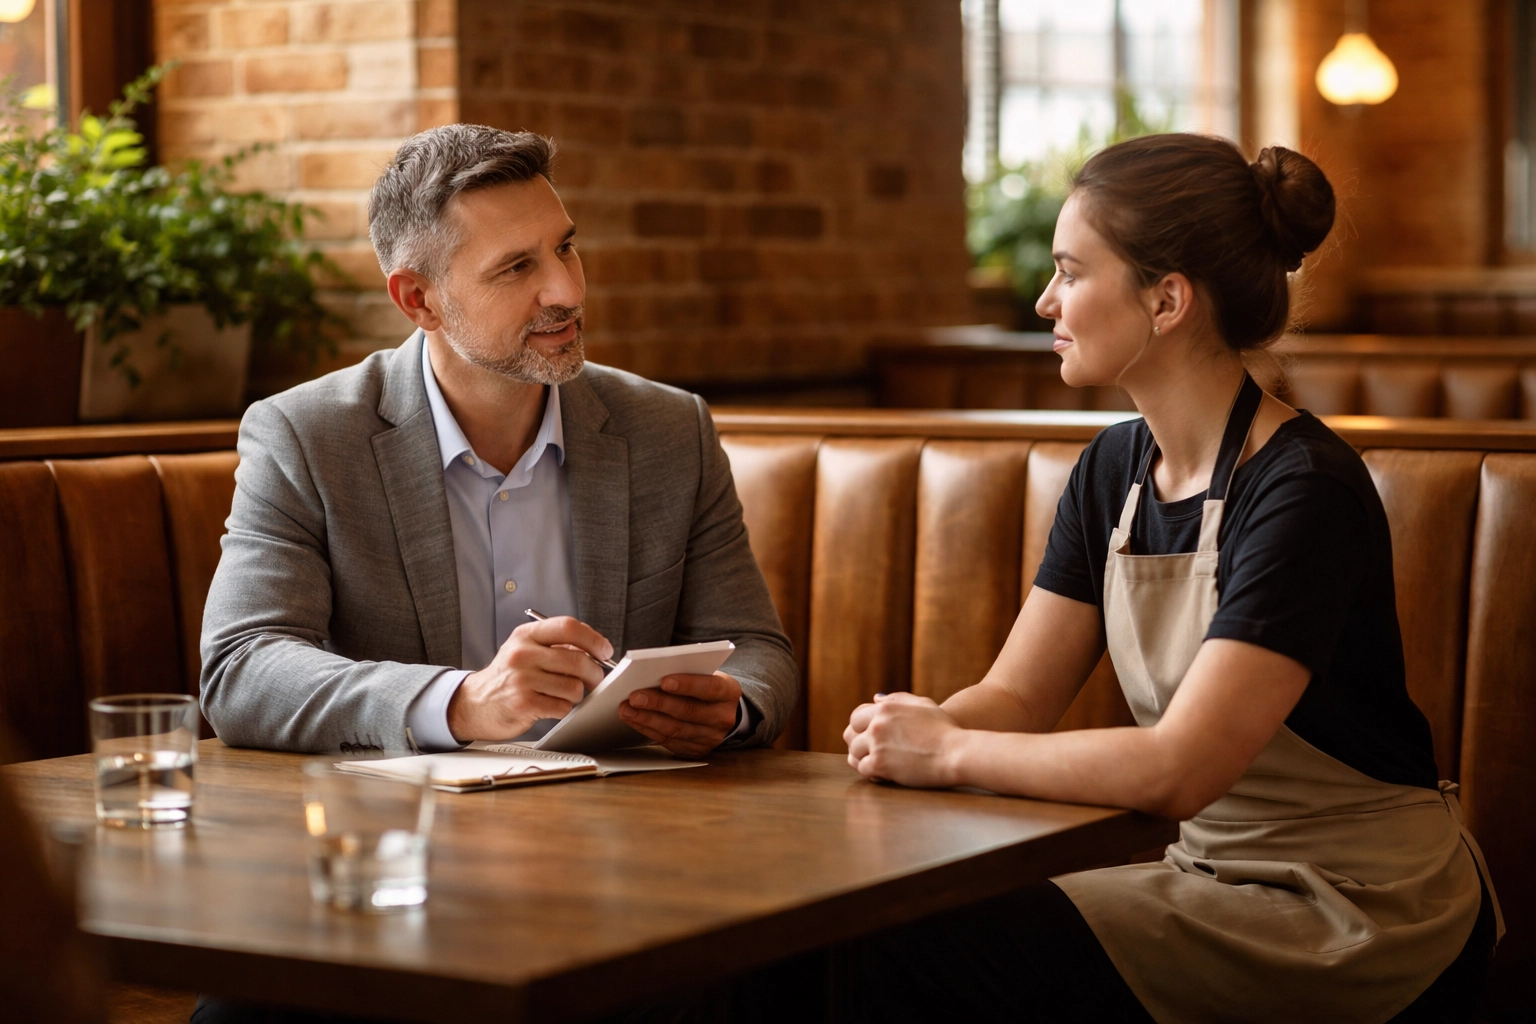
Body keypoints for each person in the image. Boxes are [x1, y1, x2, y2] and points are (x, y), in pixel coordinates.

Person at [839, 134, 1502, 1023]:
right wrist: (909, 733)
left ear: (1167, 300)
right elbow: (1015, 696)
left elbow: (1179, 769)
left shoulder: (1304, 488)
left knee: (921, 950)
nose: (1045, 301)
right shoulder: (1112, 469)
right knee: (866, 934)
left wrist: (950, 754)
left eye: (1071, 272)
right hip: (1205, 877)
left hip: (1356, 909)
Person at [200, 124, 797, 759]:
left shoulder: (671, 430)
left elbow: (756, 650)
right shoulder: (306, 436)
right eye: (517, 267)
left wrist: (731, 706)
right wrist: (462, 702)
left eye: (565, 248)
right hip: (405, 836)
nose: (567, 292)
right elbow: (242, 668)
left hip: (624, 828)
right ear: (419, 299)